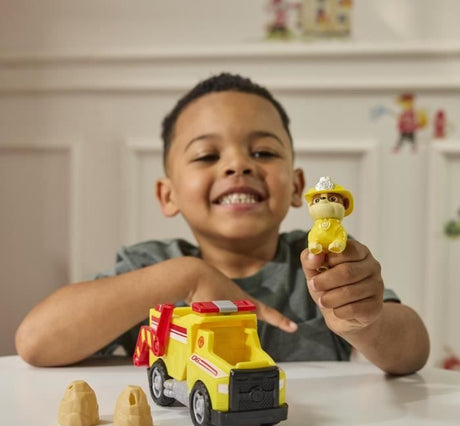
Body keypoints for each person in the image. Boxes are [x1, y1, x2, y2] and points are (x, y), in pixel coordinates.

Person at [15, 73, 429, 374]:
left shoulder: (318, 263)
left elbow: (412, 354)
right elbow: (35, 341)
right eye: (207, 156)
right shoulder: (150, 268)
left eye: (263, 153)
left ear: (296, 186)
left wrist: (365, 321)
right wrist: (187, 277)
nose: (238, 165)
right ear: (168, 195)